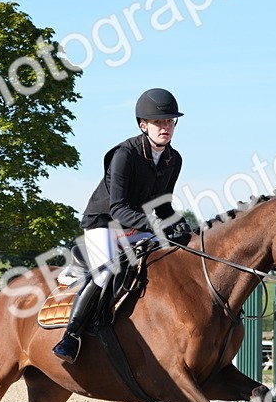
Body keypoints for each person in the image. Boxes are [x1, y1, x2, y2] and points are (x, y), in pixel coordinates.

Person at [53, 88, 192, 363]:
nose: (165, 127)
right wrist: (154, 225)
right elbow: (117, 207)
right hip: (103, 221)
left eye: (169, 122)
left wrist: (179, 225)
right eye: (159, 122)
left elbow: (162, 204)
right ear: (143, 125)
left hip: (137, 224)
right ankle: (71, 336)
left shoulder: (173, 159)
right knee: (107, 273)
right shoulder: (125, 154)